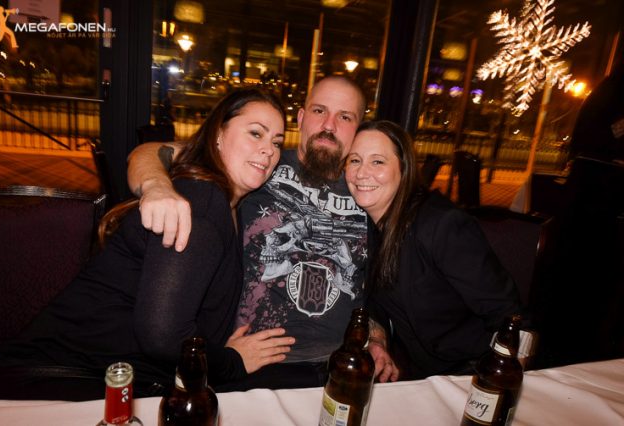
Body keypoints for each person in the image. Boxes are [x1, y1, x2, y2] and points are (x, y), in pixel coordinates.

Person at [0, 88, 294, 400]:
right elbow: (163, 337)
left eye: (277, 142)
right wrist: (232, 362)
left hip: (112, 380)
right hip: (58, 382)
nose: (268, 150)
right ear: (218, 135)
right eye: (256, 133)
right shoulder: (203, 203)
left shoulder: (229, 203)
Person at [126, 76, 399, 389]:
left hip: (339, 364)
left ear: (358, 127)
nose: (329, 125)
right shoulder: (258, 163)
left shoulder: (366, 189)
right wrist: (156, 185)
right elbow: (150, 152)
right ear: (301, 117)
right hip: (253, 367)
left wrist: (377, 339)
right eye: (319, 111)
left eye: (345, 117)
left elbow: (371, 287)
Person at [345, 120, 527, 380]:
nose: (362, 173)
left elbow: (508, 313)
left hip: (472, 370)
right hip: (425, 375)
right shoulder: (371, 227)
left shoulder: (441, 225)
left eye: (377, 162)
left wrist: (499, 382)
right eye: (355, 160)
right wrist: (377, 341)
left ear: (404, 169)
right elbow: (378, 301)